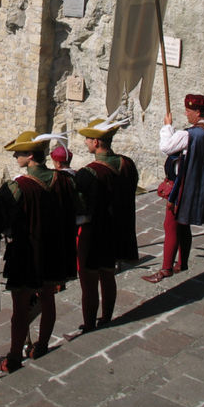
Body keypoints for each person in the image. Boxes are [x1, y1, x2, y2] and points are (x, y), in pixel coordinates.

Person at [0, 132, 77, 372]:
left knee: (20, 309)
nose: (14, 156)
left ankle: (13, 356)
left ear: (30, 156)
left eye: (19, 153)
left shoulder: (17, 187)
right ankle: (41, 344)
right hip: (54, 250)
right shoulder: (64, 180)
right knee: (49, 298)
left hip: (26, 254)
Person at [143, 95, 204, 283]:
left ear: (198, 112)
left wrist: (167, 126)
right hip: (195, 184)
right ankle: (182, 262)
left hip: (183, 186)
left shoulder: (189, 134)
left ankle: (166, 268)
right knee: (183, 225)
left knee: (171, 225)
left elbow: (166, 147)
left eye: (189, 111)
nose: (186, 114)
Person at [74, 116, 138, 327]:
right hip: (118, 229)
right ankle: (107, 316)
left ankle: (89, 323)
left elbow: (79, 205)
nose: (86, 142)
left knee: (89, 281)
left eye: (88, 139)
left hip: (94, 233)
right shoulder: (127, 164)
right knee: (108, 275)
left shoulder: (88, 173)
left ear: (97, 142)